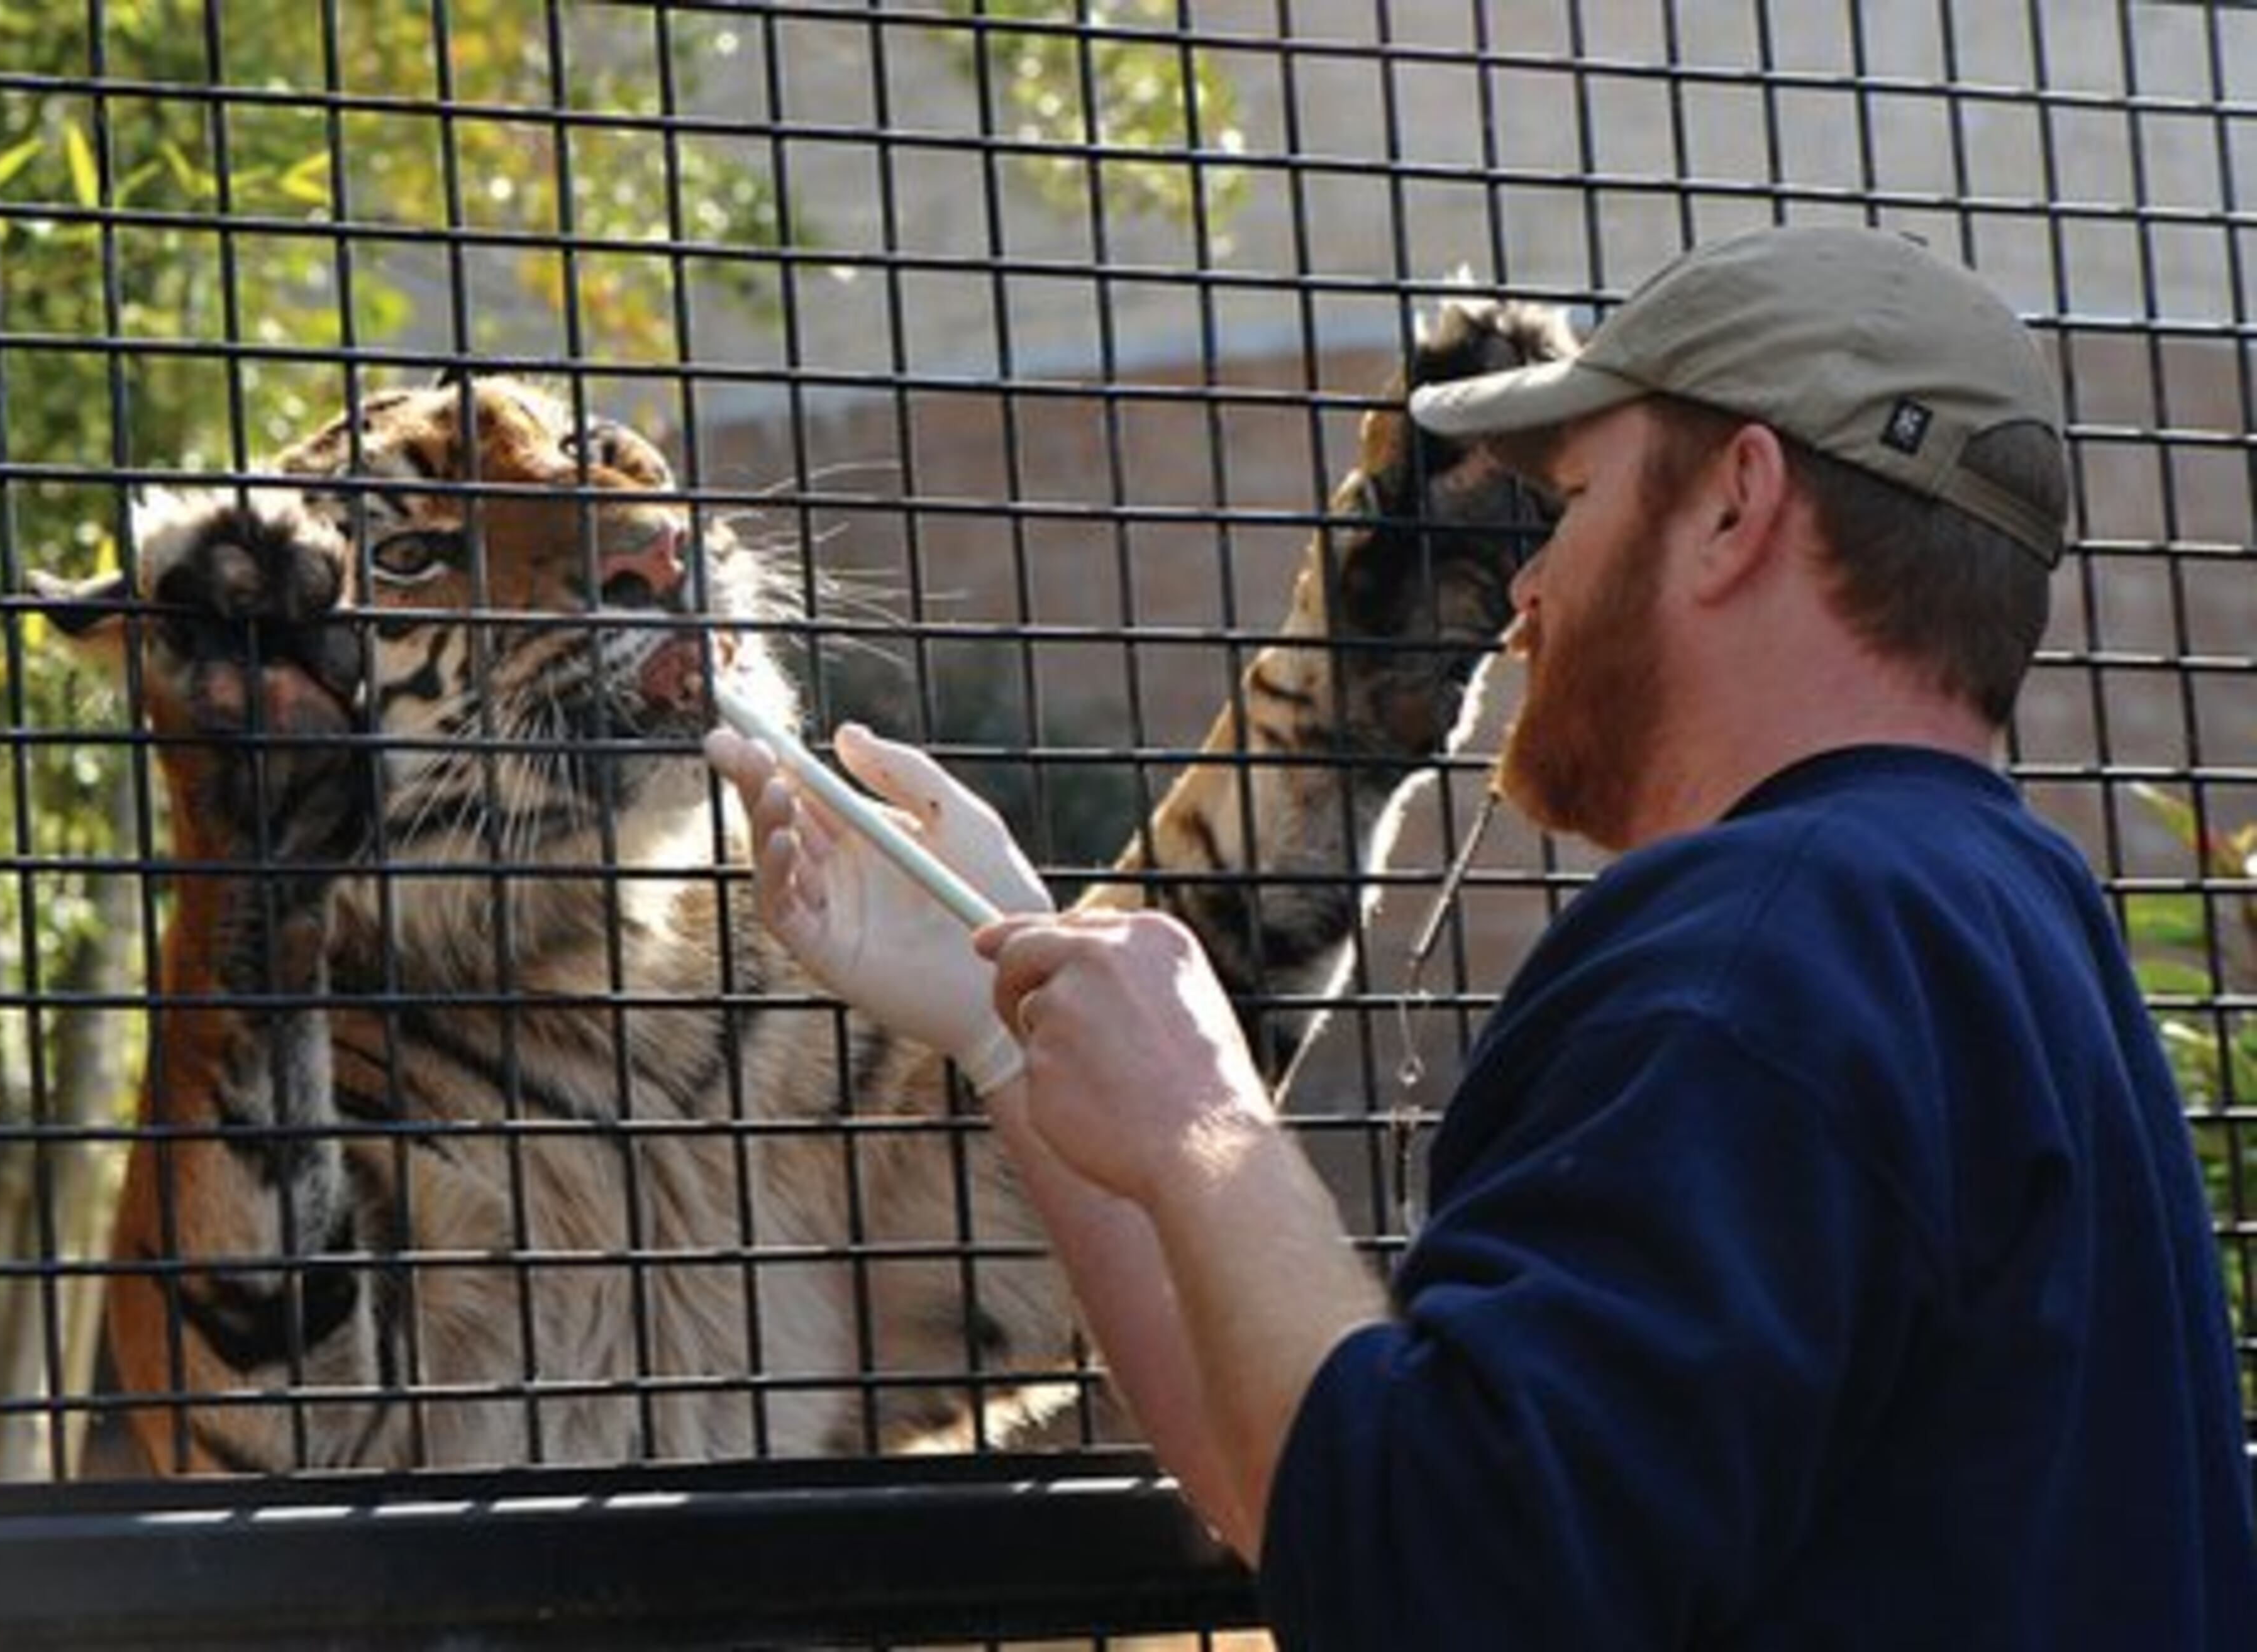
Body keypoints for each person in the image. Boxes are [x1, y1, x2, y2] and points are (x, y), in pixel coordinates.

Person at [705, 225, 2257, 1648]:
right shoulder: (2005, 919)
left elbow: (1438, 1585)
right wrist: (1004, 1020)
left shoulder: (1764, 944)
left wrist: (1200, 1121)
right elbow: (1310, 1494)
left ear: (1738, 506)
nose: (1520, 588)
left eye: (1570, 504)